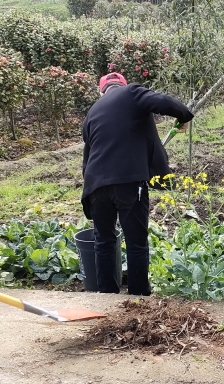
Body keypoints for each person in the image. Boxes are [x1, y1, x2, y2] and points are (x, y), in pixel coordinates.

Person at [81, 72, 194, 295]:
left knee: (103, 243)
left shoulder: (92, 112)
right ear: (122, 85)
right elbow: (164, 102)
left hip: (95, 187)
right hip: (128, 182)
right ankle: (138, 300)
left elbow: (88, 156)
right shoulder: (131, 92)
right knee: (136, 243)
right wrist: (185, 116)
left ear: (101, 91)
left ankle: (106, 298)